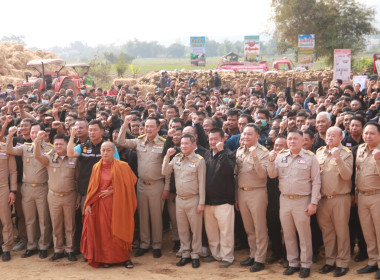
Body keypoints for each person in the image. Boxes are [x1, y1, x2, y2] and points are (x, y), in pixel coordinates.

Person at [268, 128, 321, 278]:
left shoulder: (311, 157)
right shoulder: (280, 156)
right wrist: (271, 161)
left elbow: (316, 182)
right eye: (289, 139)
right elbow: (272, 175)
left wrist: (313, 203)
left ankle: (305, 264)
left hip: (302, 200)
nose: (292, 141)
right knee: (288, 233)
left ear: (303, 141)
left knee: (304, 235)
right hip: (284, 199)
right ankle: (293, 263)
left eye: (295, 139)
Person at [117, 115, 169, 258]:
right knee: (143, 216)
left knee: (156, 216)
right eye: (146, 126)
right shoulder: (139, 141)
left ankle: (157, 245)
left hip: (157, 184)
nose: (148, 129)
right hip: (141, 184)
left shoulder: (164, 143)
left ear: (158, 128)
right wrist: (125, 123)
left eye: (152, 126)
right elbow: (120, 141)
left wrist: (167, 187)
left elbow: (169, 168)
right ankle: (144, 244)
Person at [81, 142, 137, 268]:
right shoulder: (96, 167)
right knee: (105, 233)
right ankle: (107, 258)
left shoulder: (123, 166)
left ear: (114, 151)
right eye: (103, 150)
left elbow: (131, 182)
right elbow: (92, 188)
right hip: (101, 205)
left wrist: (114, 190)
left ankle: (125, 258)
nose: (105, 153)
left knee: (120, 228)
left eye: (108, 150)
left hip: (119, 203)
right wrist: (89, 204)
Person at [6, 123, 53, 259]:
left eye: (37, 133)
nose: (34, 135)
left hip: (42, 188)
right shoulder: (25, 147)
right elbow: (10, 150)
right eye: (32, 133)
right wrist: (9, 135)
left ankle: (43, 246)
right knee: (29, 219)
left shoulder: (49, 149)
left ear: (43, 134)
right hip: (26, 188)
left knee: (44, 219)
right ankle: (31, 246)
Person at [33, 132, 80, 262]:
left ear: (67, 145)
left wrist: (78, 198)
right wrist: (37, 141)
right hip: (53, 196)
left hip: (70, 196)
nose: (58, 146)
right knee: (56, 224)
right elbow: (37, 155)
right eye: (56, 144)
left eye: (61, 144)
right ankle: (58, 250)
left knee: (70, 225)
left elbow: (77, 180)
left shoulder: (74, 159)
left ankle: (70, 249)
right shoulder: (49, 157)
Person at [162, 134, 206, 268]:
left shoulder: (199, 160)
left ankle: (195, 255)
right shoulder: (176, 158)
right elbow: (165, 171)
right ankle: (185, 253)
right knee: (182, 229)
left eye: (186, 143)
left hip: (194, 199)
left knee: (196, 229)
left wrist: (201, 202)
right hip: (179, 199)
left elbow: (202, 182)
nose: (183, 146)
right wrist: (167, 156)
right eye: (182, 144)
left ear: (193, 145)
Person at [316, 127, 353, 277]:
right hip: (322, 200)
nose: (329, 137)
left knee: (341, 231)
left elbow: (347, 176)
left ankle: (343, 262)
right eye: (328, 135)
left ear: (341, 138)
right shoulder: (319, 152)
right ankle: (330, 261)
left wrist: (337, 158)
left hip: (340, 198)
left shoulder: (346, 153)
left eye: (333, 135)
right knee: (327, 232)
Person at [236, 124, 269, 272]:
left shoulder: (263, 152)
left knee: (259, 227)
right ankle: (253, 254)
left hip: (257, 192)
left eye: (250, 134)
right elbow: (236, 176)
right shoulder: (239, 151)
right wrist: (236, 196)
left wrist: (255, 156)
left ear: (257, 136)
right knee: (249, 227)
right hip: (242, 193)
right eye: (244, 134)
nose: (246, 137)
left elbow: (262, 174)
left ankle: (260, 259)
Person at [203, 128, 236, 268]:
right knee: (212, 232)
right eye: (210, 139)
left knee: (226, 231)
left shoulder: (229, 154)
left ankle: (227, 257)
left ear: (223, 139)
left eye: (215, 139)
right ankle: (216, 255)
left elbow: (228, 171)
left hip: (224, 201)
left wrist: (221, 152)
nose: (212, 142)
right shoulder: (206, 154)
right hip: (208, 201)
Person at [355, 122, 380, 279]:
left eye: (372, 133)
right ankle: (372, 261)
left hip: (378, 196)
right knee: (368, 232)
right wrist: (357, 193)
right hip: (362, 196)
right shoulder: (360, 149)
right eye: (366, 133)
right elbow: (358, 172)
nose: (368, 136)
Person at [0, 141, 17, 261]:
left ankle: (6, 247)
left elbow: (13, 171)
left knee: (6, 219)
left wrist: (13, 191)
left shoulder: (5, 148)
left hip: (3, 188)